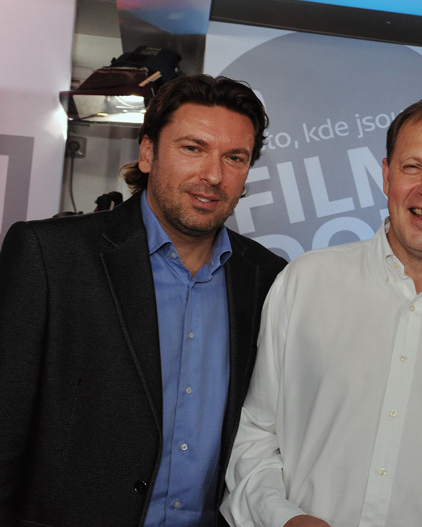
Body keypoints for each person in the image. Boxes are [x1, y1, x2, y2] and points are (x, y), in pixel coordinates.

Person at [221, 95, 422, 527]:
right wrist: (284, 519)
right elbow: (255, 434)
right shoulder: (304, 282)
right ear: (386, 174)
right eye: (413, 167)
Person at [0, 74, 288, 526]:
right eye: (192, 148)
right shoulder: (50, 256)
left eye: (234, 157)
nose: (213, 175)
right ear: (148, 152)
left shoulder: (268, 278)